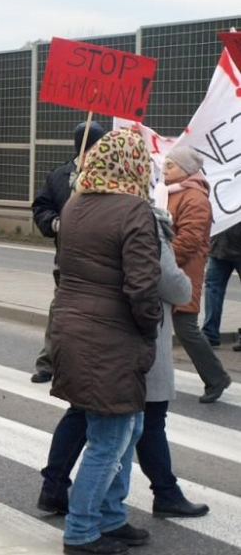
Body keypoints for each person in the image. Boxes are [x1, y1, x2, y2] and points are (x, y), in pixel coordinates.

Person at [38, 204, 209, 522]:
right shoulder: (140, 217)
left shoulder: (77, 211)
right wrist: (149, 324)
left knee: (82, 412)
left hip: (82, 326)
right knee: (137, 425)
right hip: (128, 333)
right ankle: (108, 514)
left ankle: (55, 486)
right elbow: (164, 282)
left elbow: (63, 272)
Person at [51, 129, 162, 555]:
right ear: (133, 165)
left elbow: (62, 269)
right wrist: (149, 327)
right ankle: (81, 531)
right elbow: (143, 287)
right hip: (112, 337)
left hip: (73, 327)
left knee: (126, 428)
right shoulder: (135, 210)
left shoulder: (74, 203)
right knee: (110, 438)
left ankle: (111, 515)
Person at [30, 122, 105, 383]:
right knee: (60, 309)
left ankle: (87, 363)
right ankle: (48, 363)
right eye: (94, 145)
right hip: (67, 256)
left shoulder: (110, 176)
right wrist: (54, 223)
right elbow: (41, 206)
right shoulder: (60, 175)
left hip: (99, 258)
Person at [164, 146, 232, 403]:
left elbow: (189, 241)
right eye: (165, 164)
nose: (165, 169)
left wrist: (162, 260)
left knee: (186, 328)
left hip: (183, 273)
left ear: (187, 169)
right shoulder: (172, 192)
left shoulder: (194, 197)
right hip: (171, 270)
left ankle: (217, 378)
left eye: (171, 165)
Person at [201, 221, 241, 347]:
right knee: (213, 288)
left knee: (213, 289)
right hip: (219, 245)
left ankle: (210, 334)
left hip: (219, 245)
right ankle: (209, 334)